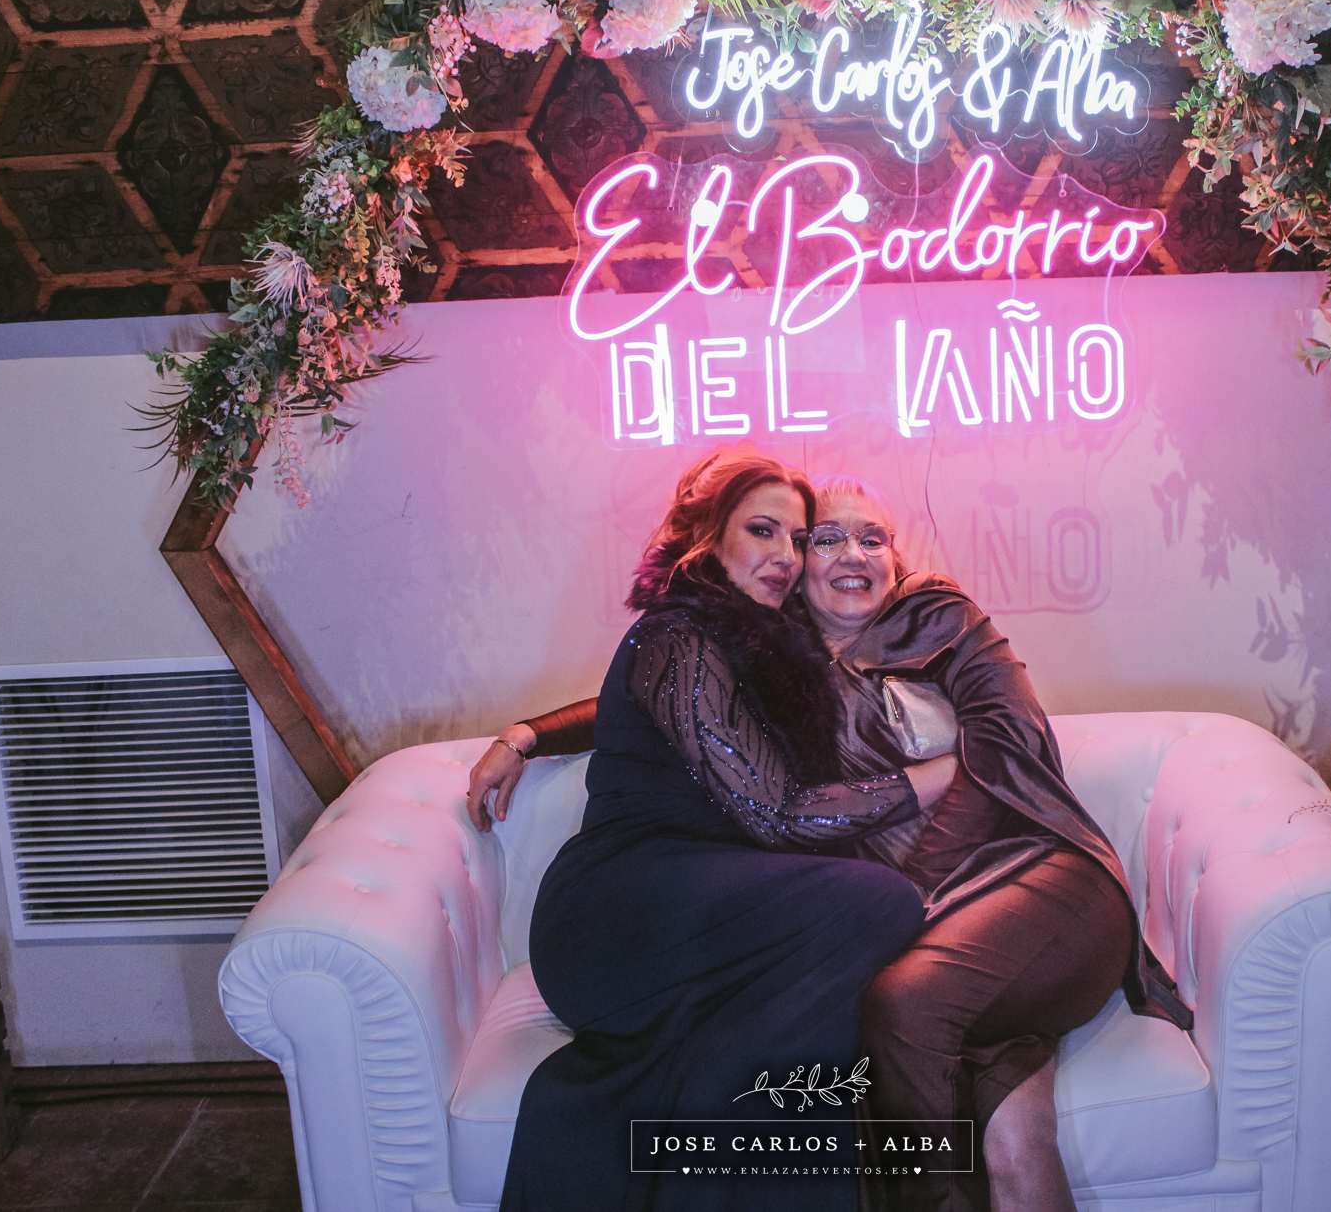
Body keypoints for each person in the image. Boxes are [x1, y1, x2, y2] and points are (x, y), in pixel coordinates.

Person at [474, 474, 1190, 1212]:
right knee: (999, 1116)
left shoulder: (939, 615)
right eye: (824, 539)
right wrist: (528, 734)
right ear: (795, 572)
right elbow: (673, 696)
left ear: (895, 555)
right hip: (926, 919)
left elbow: (1010, 739)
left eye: (871, 538)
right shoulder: (776, 655)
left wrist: (918, 886)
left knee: (906, 1007)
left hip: (1029, 872)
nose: (850, 554)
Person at [500, 449, 961, 1212]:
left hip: (707, 911)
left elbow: (627, 709)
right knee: (879, 901)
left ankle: (727, 1100)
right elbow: (778, 811)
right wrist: (940, 774)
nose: (786, 555)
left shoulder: (756, 646)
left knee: (825, 980)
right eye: (762, 530)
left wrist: (531, 732)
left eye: (797, 538)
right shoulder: (676, 635)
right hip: (617, 917)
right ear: (707, 537)